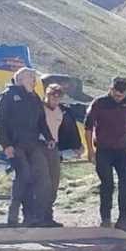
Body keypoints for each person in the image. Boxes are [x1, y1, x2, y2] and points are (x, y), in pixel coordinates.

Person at [0, 67, 56, 227]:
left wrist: (49, 138)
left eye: (35, 77)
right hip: (16, 145)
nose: (34, 80)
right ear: (21, 79)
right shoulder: (8, 96)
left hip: (33, 144)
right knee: (23, 177)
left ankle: (38, 217)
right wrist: (6, 145)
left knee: (43, 178)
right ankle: (13, 216)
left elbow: (42, 121)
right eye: (31, 77)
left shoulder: (34, 97)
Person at [85, 76, 126, 234]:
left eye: (121, 95)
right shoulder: (99, 103)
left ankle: (124, 220)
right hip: (104, 150)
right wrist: (90, 150)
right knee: (107, 184)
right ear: (111, 89)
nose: (118, 98)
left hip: (122, 150)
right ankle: (106, 219)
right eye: (116, 94)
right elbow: (88, 127)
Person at [40, 83, 83, 227]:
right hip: (38, 147)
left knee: (54, 182)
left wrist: (76, 145)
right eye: (52, 97)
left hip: (54, 148)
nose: (55, 100)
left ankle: (47, 216)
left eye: (58, 98)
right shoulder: (38, 109)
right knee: (41, 182)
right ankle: (36, 215)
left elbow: (69, 128)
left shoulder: (63, 111)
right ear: (46, 95)